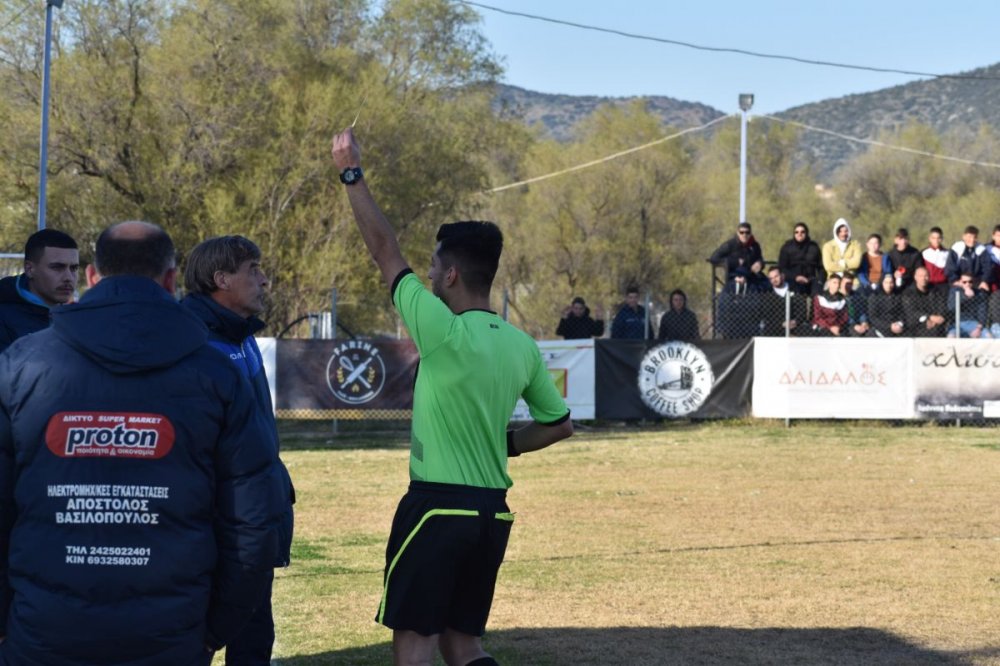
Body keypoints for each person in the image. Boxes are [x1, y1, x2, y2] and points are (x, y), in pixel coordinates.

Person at [331, 127, 573, 666]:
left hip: (436, 508)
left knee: (415, 644)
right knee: (464, 645)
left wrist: (351, 172)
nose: (430, 272)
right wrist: (504, 444)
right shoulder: (522, 347)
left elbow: (383, 249)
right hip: (492, 514)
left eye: (435, 265)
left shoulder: (440, 329)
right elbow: (559, 426)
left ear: (452, 275)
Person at [0, 221, 284, 665]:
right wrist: (215, 627)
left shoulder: (20, 365)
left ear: (92, 276)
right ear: (170, 279)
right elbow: (250, 521)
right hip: (170, 634)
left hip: (45, 631)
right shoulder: (217, 373)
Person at [181, 235, 296, 665]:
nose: (265, 280)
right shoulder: (189, 341)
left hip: (251, 523)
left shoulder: (243, 337)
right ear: (221, 278)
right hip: (209, 526)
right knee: (197, 642)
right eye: (254, 271)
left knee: (253, 640)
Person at [0, 228, 79, 353]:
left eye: (74, 268)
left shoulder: (78, 319)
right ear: (30, 269)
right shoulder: (4, 320)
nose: (68, 277)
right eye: (57, 267)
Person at [777, 222, 824, 295]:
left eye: (802, 232)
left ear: (807, 233)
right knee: (796, 294)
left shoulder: (814, 247)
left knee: (818, 292)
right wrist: (796, 277)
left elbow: (821, 268)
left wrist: (820, 281)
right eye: (797, 232)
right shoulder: (787, 247)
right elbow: (782, 268)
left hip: (811, 280)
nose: (799, 234)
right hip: (792, 280)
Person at [903, 266, 949, 337]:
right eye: (920, 276)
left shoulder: (935, 291)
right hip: (916, 325)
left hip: (936, 324)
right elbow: (911, 312)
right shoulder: (908, 293)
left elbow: (942, 306)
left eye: (926, 276)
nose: (923, 279)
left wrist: (936, 319)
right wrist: (929, 317)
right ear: (915, 277)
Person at [759, 266, 806, 336]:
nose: (774, 280)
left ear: (782, 275)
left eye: (776, 276)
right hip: (777, 326)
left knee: (806, 331)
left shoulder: (794, 289)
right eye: (771, 278)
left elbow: (801, 308)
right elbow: (767, 314)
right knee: (768, 330)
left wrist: (795, 321)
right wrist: (782, 323)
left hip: (795, 325)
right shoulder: (768, 294)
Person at [945, 225, 991, 290]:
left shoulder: (981, 250)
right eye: (969, 237)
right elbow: (950, 267)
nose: (972, 240)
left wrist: (984, 281)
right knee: (956, 294)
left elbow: (987, 268)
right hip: (959, 282)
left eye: (974, 237)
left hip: (976, 282)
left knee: (984, 292)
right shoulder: (956, 248)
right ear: (963, 236)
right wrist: (955, 280)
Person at [946, 272, 991, 338]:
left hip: (974, 324)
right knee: (951, 336)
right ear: (960, 282)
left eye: (970, 282)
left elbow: (982, 312)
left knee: (988, 335)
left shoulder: (979, 294)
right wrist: (965, 296)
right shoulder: (954, 291)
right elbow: (951, 308)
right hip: (956, 324)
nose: (968, 284)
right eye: (965, 282)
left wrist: (979, 328)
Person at [821, 218, 862, 287]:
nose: (843, 234)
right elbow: (828, 266)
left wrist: (843, 263)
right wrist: (847, 265)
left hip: (851, 280)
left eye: (845, 231)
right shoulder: (828, 246)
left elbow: (856, 263)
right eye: (840, 231)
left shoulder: (855, 245)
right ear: (836, 232)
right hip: (833, 280)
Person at [886, 227, 923, 292]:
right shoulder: (890, 254)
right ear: (896, 240)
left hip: (911, 283)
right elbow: (886, 271)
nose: (903, 241)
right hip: (894, 283)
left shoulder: (915, 253)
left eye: (905, 239)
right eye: (901, 239)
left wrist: (907, 272)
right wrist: (894, 274)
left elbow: (918, 270)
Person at [921, 227, 949, 292]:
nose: (936, 240)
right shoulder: (924, 253)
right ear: (930, 239)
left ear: (942, 239)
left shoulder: (948, 253)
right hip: (929, 285)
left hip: (944, 286)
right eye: (933, 238)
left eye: (938, 238)